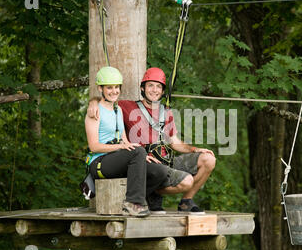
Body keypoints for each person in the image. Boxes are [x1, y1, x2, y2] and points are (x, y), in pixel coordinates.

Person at [87, 67, 216, 214]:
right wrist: (93, 102)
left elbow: (174, 142)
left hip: (165, 160)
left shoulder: (166, 112)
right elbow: (107, 100)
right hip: (143, 162)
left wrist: (195, 150)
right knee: (185, 180)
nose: (154, 90)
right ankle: (150, 194)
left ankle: (186, 202)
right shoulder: (127, 107)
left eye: (158, 86)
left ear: (162, 91)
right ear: (142, 88)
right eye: (150, 85)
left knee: (209, 159)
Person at [85, 66, 168, 217]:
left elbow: (125, 141)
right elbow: (94, 146)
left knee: (159, 171)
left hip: (115, 159)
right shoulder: (95, 111)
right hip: (98, 163)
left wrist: (141, 157)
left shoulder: (118, 110)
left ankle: (132, 198)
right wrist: (127, 149)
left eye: (116, 87)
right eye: (109, 88)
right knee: (138, 151)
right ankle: (133, 203)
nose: (114, 91)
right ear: (100, 88)